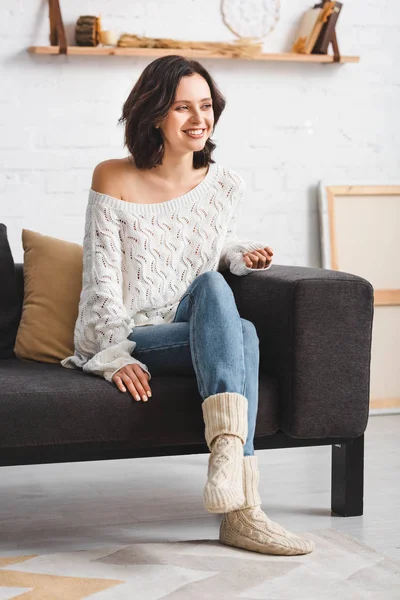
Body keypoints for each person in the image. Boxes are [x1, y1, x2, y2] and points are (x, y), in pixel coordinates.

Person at [61, 55, 315, 556]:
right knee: (243, 334)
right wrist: (112, 355)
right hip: (137, 334)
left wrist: (239, 255)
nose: (200, 119)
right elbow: (101, 281)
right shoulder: (112, 177)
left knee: (219, 297)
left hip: (191, 323)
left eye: (206, 106)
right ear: (155, 114)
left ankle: (227, 461)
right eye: (183, 108)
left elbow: (206, 244)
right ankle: (244, 508)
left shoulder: (224, 184)